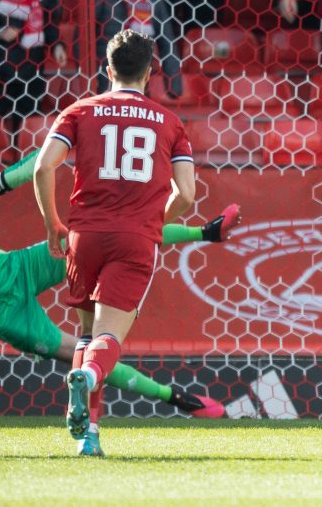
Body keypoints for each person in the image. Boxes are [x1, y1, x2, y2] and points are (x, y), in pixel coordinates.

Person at [0, 140, 235, 417]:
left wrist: (63, 142)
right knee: (79, 354)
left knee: (103, 230)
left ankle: (205, 232)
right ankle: (175, 398)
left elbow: (20, 173)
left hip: (16, 267)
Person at [34, 29, 196, 457]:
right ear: (150, 72)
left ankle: (90, 436)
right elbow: (189, 194)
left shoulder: (79, 111)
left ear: (108, 70)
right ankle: (86, 380)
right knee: (108, 340)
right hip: (134, 238)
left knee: (86, 335)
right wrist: (154, 221)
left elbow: (41, 168)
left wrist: (53, 224)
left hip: (84, 236)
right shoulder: (171, 123)